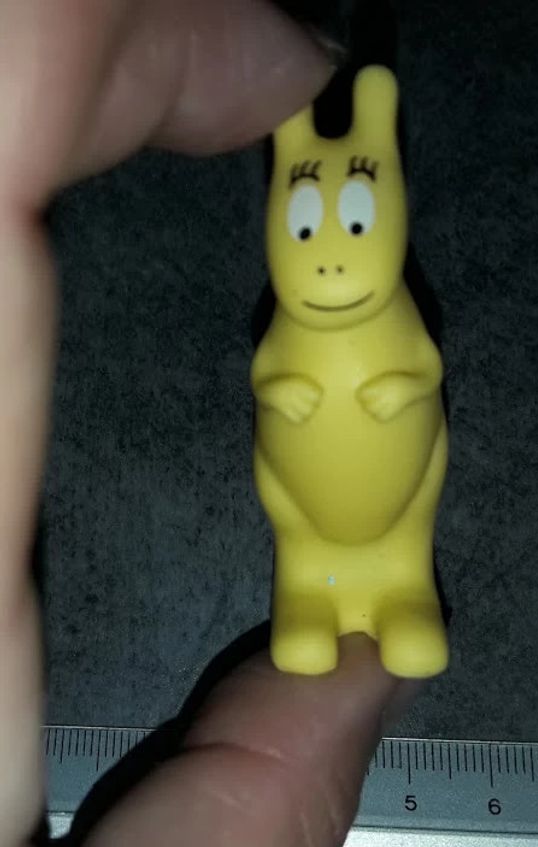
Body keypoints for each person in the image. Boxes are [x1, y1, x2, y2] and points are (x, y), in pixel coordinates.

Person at [0, 3, 420, 845]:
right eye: (307, 226)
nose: (330, 256)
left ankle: (403, 595)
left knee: (402, 540)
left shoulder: (398, 319)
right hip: (307, 520)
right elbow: (272, 371)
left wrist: (396, 387)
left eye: (354, 224)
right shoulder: (289, 329)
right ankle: (311, 601)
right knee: (303, 545)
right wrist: (288, 387)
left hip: (394, 516)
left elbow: (420, 371)